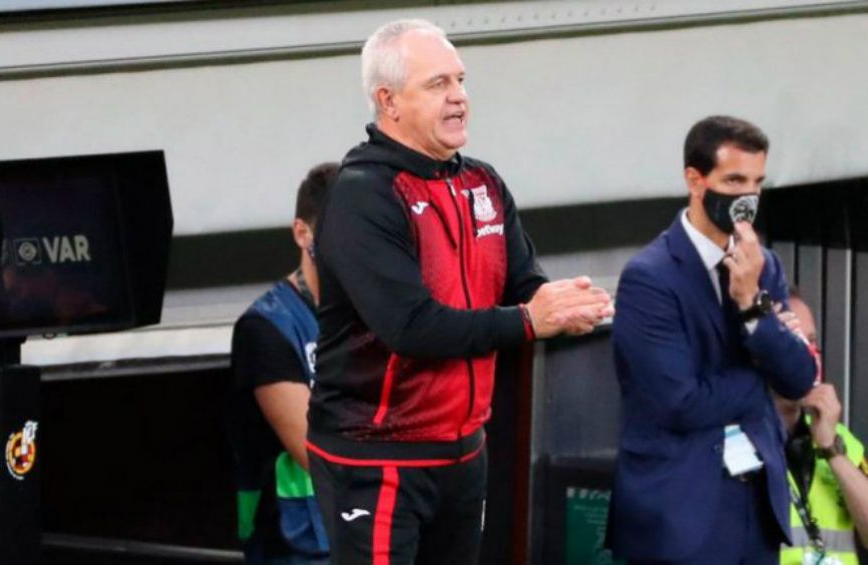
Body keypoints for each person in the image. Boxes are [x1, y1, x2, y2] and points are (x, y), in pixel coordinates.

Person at [308, 18, 613, 565]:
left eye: (461, 80)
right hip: (375, 461)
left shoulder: (483, 183)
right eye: (437, 85)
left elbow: (523, 283)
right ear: (388, 100)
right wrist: (528, 321)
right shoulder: (362, 195)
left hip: (465, 452)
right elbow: (412, 326)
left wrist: (564, 304)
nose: (459, 99)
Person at [608, 115, 818, 565]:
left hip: (756, 502)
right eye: (735, 179)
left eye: (758, 182)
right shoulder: (650, 277)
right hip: (681, 509)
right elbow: (678, 402)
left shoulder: (765, 267)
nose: (749, 196)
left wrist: (752, 306)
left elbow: (800, 379)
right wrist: (759, 378)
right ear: (695, 179)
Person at [229, 162, 339, 565]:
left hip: (377, 535)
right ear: (302, 233)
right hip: (297, 545)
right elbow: (317, 452)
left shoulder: (378, 313)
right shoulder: (266, 327)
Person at [773, 291, 868, 565]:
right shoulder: (726, 439)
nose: (808, 354)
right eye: (794, 340)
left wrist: (831, 449)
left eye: (811, 341)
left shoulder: (837, 437)